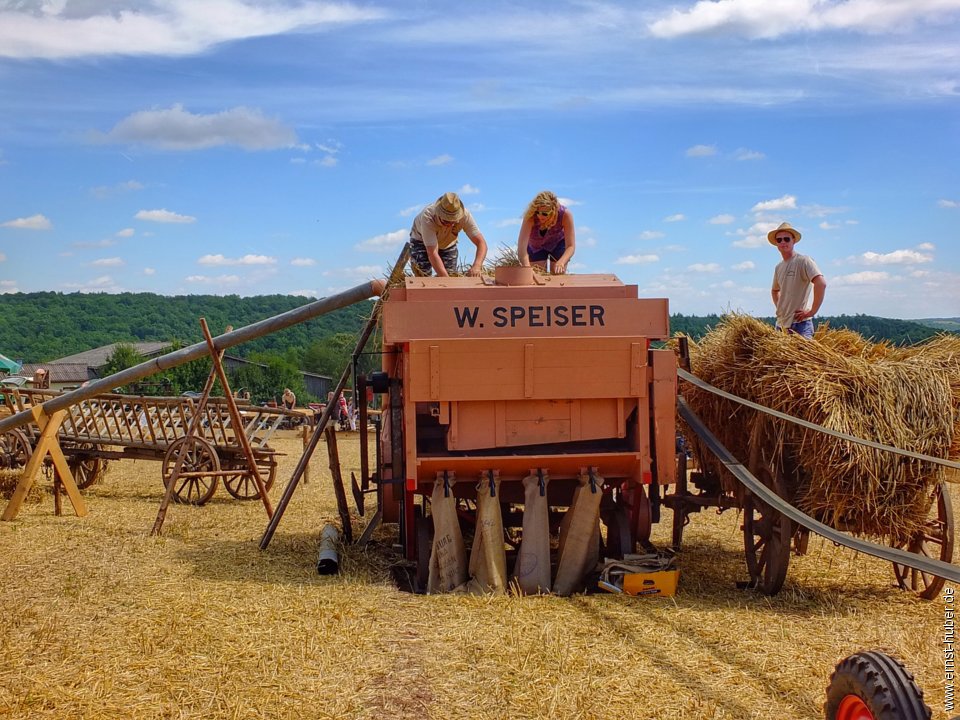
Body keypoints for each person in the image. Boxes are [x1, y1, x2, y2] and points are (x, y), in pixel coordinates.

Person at [769, 222, 827, 340]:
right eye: (779, 240)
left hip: (800, 324)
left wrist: (812, 311)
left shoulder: (804, 261)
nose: (783, 242)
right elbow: (774, 291)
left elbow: (821, 283)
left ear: (793, 240)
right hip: (781, 325)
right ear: (776, 243)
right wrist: (781, 309)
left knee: (806, 358)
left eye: (786, 239)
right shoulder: (779, 267)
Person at [408, 192, 487, 277]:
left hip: (447, 243)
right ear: (438, 214)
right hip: (421, 242)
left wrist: (477, 266)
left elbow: (481, 243)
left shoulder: (465, 216)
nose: (450, 225)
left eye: (453, 221)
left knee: (450, 274)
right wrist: (446, 281)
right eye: (446, 221)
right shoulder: (428, 217)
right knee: (422, 275)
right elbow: (432, 253)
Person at [517, 190, 576, 275]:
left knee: (558, 272)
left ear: (554, 211)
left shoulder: (565, 215)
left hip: (557, 244)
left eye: (544, 213)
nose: (540, 216)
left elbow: (571, 246)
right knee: (537, 274)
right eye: (538, 212)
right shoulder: (530, 216)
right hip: (536, 247)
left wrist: (562, 262)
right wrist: (527, 267)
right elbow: (521, 249)